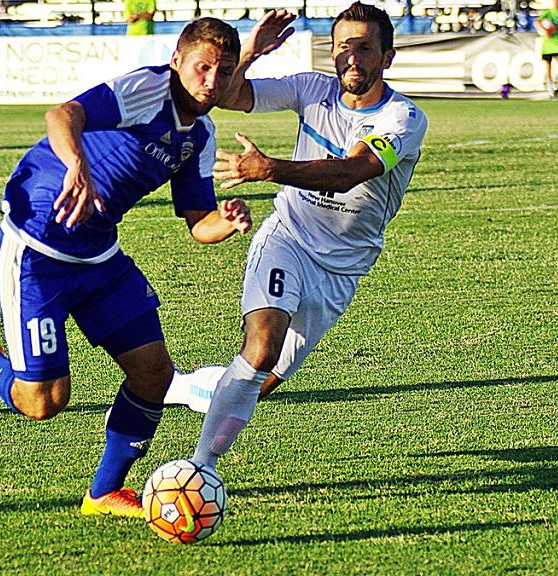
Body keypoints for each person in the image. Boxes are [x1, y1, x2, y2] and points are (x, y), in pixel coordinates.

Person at [0, 17, 252, 518]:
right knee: (43, 402)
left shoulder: (200, 135)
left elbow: (198, 221)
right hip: (36, 250)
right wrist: (76, 163)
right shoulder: (147, 89)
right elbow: (62, 115)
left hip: (99, 257)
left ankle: (103, 493)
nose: (211, 81)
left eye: (223, 72)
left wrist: (227, 221)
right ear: (176, 61)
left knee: (154, 375)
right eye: (202, 67)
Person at [164, 4, 428, 471]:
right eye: (342, 46)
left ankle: (172, 386)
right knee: (260, 348)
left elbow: (351, 172)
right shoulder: (311, 88)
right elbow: (226, 95)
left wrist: (270, 169)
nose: (350, 58)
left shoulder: (404, 119)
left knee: (259, 380)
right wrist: (250, 53)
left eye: (364, 48)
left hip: (342, 268)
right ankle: (199, 468)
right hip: (288, 236)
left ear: (387, 57)